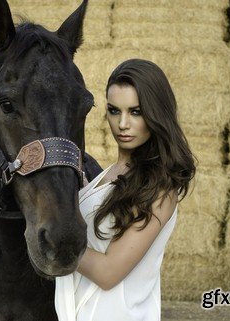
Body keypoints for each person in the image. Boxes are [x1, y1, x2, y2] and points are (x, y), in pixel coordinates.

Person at [55, 59, 196, 321]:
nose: (122, 124)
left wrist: (54, 240)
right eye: (114, 110)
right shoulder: (106, 175)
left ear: (156, 113)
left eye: (135, 112)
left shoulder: (160, 189)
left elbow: (108, 273)